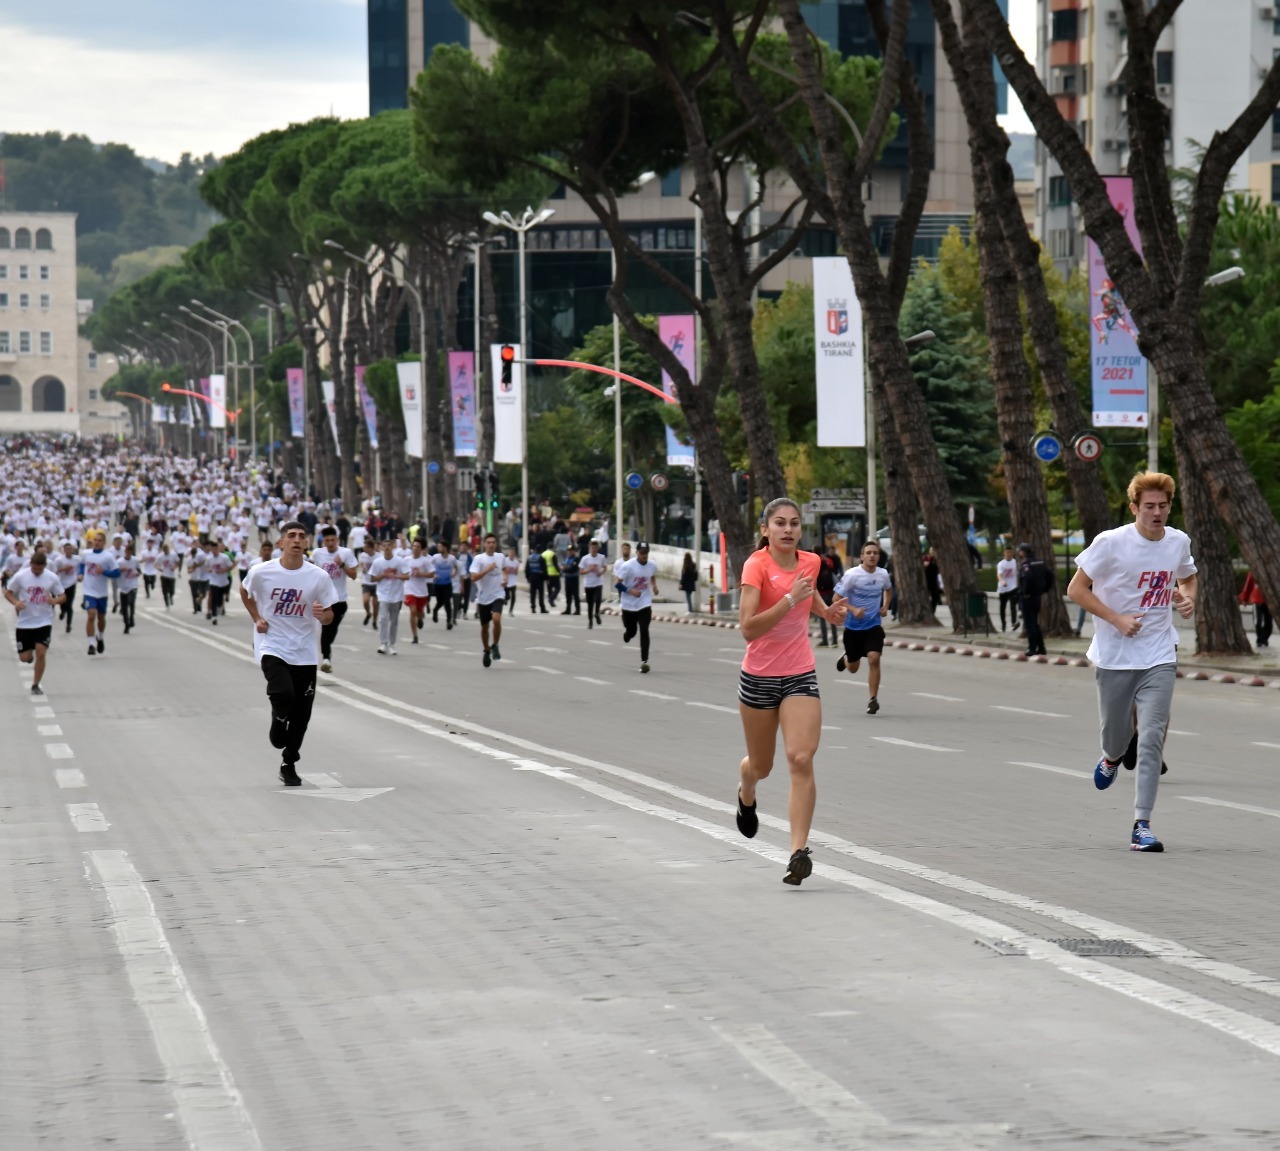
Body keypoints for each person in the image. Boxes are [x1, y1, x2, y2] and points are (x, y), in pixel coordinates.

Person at [1068, 472, 1197, 853]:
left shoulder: (1177, 542)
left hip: (1159, 652)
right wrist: (1116, 619)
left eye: (1163, 506)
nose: (1156, 513)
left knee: (1152, 737)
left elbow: (1188, 577)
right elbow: (1076, 589)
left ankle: (1142, 825)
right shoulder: (1110, 543)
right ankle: (1110, 756)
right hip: (1114, 655)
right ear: (1134, 509)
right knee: (1116, 735)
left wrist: (1187, 598)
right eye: (1149, 507)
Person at [735, 498, 847, 886]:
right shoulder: (756, 565)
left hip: (799, 673)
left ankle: (798, 852)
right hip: (759, 677)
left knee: (801, 758)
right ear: (765, 529)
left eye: (794, 524)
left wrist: (826, 612)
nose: (787, 529)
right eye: (779, 523)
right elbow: (748, 628)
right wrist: (788, 601)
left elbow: (808, 592)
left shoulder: (811, 561)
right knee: (761, 767)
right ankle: (746, 789)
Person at [240, 521, 337, 786]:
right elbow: (244, 591)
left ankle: (289, 762)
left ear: (306, 544)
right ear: (281, 542)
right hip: (272, 645)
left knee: (302, 715)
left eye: (302, 536)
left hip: (305, 651)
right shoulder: (262, 572)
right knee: (283, 693)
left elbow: (330, 614)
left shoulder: (318, 576)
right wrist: (257, 617)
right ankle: (278, 717)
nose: (297, 540)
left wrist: (323, 616)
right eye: (291, 536)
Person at [833, 541, 894, 714]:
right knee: (853, 668)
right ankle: (846, 658)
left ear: (878, 556)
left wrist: (885, 606)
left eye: (875, 553)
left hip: (873, 625)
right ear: (862, 556)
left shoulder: (883, 574)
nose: (872, 556)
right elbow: (835, 598)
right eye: (868, 553)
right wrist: (853, 609)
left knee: (874, 658)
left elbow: (889, 590)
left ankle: (873, 699)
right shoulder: (852, 575)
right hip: (853, 627)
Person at [5, 549, 66, 696]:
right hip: (25, 622)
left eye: (40, 569)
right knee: (24, 658)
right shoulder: (21, 576)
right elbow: (8, 592)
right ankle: (29, 655)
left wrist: (55, 600)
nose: (37, 571)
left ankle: (35, 684)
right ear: (30, 564)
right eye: (34, 568)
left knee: (41, 652)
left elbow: (63, 596)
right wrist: (16, 603)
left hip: (44, 620)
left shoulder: (51, 577)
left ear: (45, 566)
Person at [309, 525, 358, 672]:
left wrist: (342, 564)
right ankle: (326, 658)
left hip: (340, 600)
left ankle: (326, 654)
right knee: (325, 628)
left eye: (332, 540)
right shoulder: (317, 553)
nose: (330, 543)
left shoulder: (346, 553)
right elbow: (309, 570)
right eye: (327, 540)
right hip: (323, 599)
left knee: (332, 629)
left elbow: (354, 575)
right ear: (323, 541)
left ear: (337, 540)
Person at [615, 540, 660, 673]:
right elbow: (617, 584)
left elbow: (651, 576)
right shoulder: (628, 566)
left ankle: (644, 661)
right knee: (632, 631)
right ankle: (628, 634)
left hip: (644, 602)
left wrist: (654, 586)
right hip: (628, 605)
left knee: (644, 629)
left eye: (646, 553)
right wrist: (631, 591)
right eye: (641, 553)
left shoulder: (652, 565)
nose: (644, 556)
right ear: (637, 553)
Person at [77, 531, 119, 657]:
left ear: (104, 543)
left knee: (101, 618)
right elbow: (82, 564)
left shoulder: (108, 556)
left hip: (102, 592)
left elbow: (117, 573)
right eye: (95, 540)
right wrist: (80, 573)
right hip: (89, 591)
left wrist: (104, 572)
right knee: (91, 615)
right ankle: (91, 644)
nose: (97, 542)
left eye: (100, 540)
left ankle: (100, 637)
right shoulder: (86, 553)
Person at [470, 533, 506, 667]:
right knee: (484, 627)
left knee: (496, 619)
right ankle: (486, 650)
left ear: (496, 544)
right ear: (485, 544)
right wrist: (487, 569)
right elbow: (473, 577)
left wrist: (505, 578)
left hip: (498, 594)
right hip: (484, 597)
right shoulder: (479, 559)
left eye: (493, 542)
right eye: (489, 542)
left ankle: (495, 645)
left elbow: (504, 569)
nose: (491, 544)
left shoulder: (501, 557)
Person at [370, 538, 408, 655]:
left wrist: (396, 576)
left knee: (394, 621)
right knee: (383, 619)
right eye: (384, 546)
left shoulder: (400, 561)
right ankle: (383, 643)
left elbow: (407, 576)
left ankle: (392, 644)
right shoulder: (378, 562)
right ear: (381, 547)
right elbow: (372, 578)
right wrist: (383, 575)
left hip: (396, 594)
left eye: (389, 545)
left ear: (392, 547)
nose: (386, 548)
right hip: (383, 594)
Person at [1017, 543, 1052, 656]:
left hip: (1028, 597)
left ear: (1023, 552)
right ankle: (1041, 647)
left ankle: (1032, 647)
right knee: (1035, 623)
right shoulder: (1039, 562)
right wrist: (1045, 589)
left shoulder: (1026, 564)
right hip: (1037, 596)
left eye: (1020, 551)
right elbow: (1050, 575)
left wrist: (1025, 592)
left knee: (1029, 624)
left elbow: (1028, 578)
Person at [404, 538, 433, 645]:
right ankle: (415, 636)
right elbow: (402, 571)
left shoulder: (425, 561)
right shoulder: (406, 559)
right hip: (409, 589)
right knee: (412, 611)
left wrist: (421, 574)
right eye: (414, 546)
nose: (415, 548)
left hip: (421, 590)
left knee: (419, 612)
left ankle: (420, 619)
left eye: (418, 547)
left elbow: (431, 574)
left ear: (421, 549)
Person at [813, 545, 842, 647]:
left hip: (820, 594)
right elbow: (833, 574)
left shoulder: (814, 561)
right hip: (831, 592)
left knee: (822, 617)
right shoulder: (829, 561)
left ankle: (825, 640)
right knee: (832, 615)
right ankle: (834, 640)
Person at [1239, 570, 1271, 649]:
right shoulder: (1253, 571)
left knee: (1269, 622)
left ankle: (1264, 638)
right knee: (1257, 621)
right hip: (1256, 599)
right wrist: (1244, 599)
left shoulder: (1271, 570)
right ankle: (1260, 640)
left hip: (1269, 600)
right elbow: (1248, 585)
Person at [579, 538, 607, 628]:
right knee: (590, 603)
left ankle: (597, 614)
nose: (594, 549)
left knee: (598, 599)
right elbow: (581, 571)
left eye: (595, 547)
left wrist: (600, 572)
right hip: (588, 583)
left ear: (597, 548)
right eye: (592, 547)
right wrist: (589, 569)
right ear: (590, 547)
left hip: (598, 582)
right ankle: (590, 620)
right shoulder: (585, 558)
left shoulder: (601, 557)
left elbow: (605, 567)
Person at [431, 539, 457, 629]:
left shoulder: (451, 558)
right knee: (440, 601)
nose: (438, 548)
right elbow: (430, 567)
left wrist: (453, 573)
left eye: (440, 546)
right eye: (438, 546)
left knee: (447, 602)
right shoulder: (435, 557)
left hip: (447, 584)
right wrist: (433, 575)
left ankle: (449, 621)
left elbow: (455, 568)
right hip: (438, 584)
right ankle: (435, 610)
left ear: (445, 548)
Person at [117, 544, 141, 635]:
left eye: (130, 552)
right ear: (125, 552)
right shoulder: (119, 561)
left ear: (131, 552)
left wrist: (137, 573)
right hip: (123, 586)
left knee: (131, 602)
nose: (128, 553)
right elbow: (114, 571)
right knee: (124, 607)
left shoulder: (135, 560)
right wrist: (120, 569)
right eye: (126, 552)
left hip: (133, 585)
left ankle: (131, 617)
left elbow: (139, 571)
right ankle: (126, 623)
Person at [996, 545, 1020, 632]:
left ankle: (1013, 623)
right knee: (1003, 607)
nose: (1009, 554)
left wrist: (1018, 584)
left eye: (1010, 552)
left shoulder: (1015, 562)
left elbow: (1018, 574)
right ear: (1004, 553)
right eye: (1007, 552)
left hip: (1013, 587)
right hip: (1003, 588)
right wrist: (1002, 581)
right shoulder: (1001, 564)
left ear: (1012, 553)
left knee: (1013, 605)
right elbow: (999, 575)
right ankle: (1003, 624)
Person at [525, 546, 547, 613]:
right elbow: (544, 569)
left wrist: (528, 578)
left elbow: (527, 569)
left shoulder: (530, 558)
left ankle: (533, 608)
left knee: (533, 593)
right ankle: (542, 608)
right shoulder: (541, 558)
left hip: (532, 577)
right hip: (539, 577)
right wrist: (546, 578)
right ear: (540, 551)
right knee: (541, 594)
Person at [560, 548, 581, 616]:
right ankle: (568, 609)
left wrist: (565, 569)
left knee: (575, 595)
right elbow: (563, 566)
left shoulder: (576, 559)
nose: (570, 552)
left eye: (572, 551)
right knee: (568, 594)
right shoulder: (567, 559)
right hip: (567, 578)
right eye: (569, 551)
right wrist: (565, 568)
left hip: (574, 578)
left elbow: (573, 569)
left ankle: (577, 609)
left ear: (574, 551)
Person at [542, 544, 561, 608]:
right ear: (552, 547)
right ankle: (551, 599)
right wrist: (559, 572)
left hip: (547, 574)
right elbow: (555, 564)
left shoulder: (543, 554)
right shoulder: (552, 554)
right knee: (558, 587)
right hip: (554, 573)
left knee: (549, 588)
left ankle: (551, 602)